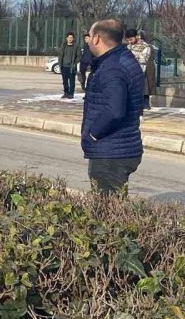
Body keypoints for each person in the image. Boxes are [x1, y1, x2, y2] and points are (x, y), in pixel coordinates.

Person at [82, 20, 143, 195]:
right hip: (119, 148)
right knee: (112, 208)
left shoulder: (112, 68)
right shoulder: (121, 59)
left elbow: (114, 111)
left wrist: (93, 135)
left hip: (111, 152)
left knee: (107, 213)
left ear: (97, 39)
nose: (88, 41)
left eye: (90, 36)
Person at [126, 29, 152, 112]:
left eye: (131, 39)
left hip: (139, 72)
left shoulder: (145, 46)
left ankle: (139, 111)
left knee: (138, 94)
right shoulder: (129, 46)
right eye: (128, 40)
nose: (130, 42)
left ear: (137, 37)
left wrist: (132, 56)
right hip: (128, 72)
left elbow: (144, 59)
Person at [58, 31, 82, 99]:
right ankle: (66, 93)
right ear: (66, 38)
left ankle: (71, 94)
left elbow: (79, 56)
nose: (70, 39)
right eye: (69, 37)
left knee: (72, 81)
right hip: (64, 66)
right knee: (64, 81)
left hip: (72, 67)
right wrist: (60, 64)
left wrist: (74, 64)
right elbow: (60, 55)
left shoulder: (76, 46)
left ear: (73, 38)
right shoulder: (63, 45)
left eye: (71, 37)